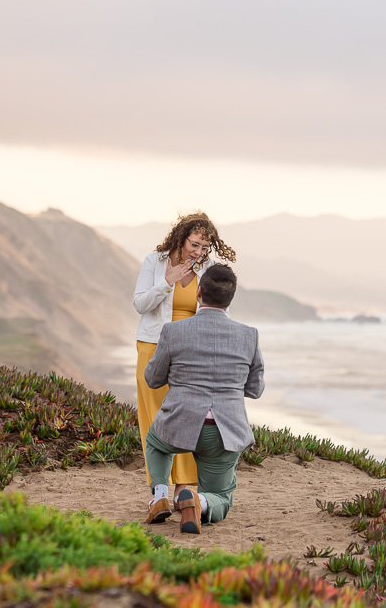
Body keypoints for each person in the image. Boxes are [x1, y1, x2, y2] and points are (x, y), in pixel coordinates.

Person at [142, 264, 264, 533]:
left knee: (156, 443)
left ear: (199, 293)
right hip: (224, 431)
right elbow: (255, 389)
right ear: (230, 299)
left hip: (179, 421)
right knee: (222, 496)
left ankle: (160, 494)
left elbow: (152, 379)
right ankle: (200, 501)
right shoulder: (249, 336)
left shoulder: (173, 331)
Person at [133, 212, 237, 509]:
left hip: (190, 353)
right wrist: (167, 282)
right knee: (154, 419)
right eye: (195, 244)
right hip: (153, 346)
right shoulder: (155, 262)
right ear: (181, 237)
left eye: (205, 248)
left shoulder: (204, 271)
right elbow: (140, 304)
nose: (199, 252)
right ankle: (159, 492)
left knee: (188, 417)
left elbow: (218, 312)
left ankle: (183, 490)